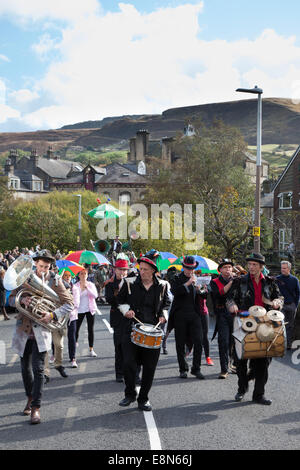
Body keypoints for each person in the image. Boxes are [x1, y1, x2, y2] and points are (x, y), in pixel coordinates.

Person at [9, 249, 74, 424]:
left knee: (38, 369)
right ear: (35, 264)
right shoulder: (24, 277)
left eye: (46, 267)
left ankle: (36, 408)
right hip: (23, 328)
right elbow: (10, 299)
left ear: (50, 266)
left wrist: (52, 315)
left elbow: (70, 304)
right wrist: (21, 301)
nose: (43, 270)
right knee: (24, 368)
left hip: (42, 329)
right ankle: (29, 399)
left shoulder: (55, 280)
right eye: (40, 266)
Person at [116, 254, 171, 411]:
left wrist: (163, 315)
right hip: (132, 327)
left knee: (149, 367)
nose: (142, 272)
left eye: (146, 270)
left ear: (153, 271)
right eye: (141, 269)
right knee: (128, 363)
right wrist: (126, 310)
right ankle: (130, 394)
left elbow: (166, 303)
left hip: (153, 330)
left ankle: (143, 399)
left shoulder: (162, 285)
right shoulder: (129, 283)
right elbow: (120, 300)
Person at [227, 252, 283, 405]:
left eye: (254, 265)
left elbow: (279, 297)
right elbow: (230, 298)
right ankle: (242, 388)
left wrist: (277, 301)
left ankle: (259, 394)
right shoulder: (239, 281)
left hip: (265, 324)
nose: (251, 267)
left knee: (264, 361)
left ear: (261, 267)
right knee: (240, 360)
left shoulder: (271, 282)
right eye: (249, 264)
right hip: (244, 322)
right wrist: (232, 305)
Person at [169, 256, 205, 380]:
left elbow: (204, 296)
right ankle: (183, 369)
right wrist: (188, 283)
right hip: (180, 314)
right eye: (188, 268)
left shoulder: (197, 279)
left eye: (192, 268)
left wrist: (201, 290)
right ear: (183, 267)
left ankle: (196, 369)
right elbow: (174, 291)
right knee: (180, 343)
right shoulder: (176, 278)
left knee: (199, 341)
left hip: (195, 314)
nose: (190, 271)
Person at [210, 259, 236, 379]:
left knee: (234, 341)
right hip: (222, 314)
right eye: (225, 267)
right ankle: (224, 369)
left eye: (230, 267)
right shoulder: (215, 281)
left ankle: (232, 364)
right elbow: (219, 294)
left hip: (235, 314)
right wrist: (231, 282)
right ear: (220, 270)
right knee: (223, 341)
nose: (228, 270)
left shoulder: (237, 280)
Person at [105, 258, 129, 382]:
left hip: (130, 318)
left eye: (125, 270)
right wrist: (120, 291)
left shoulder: (131, 283)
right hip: (118, 318)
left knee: (129, 347)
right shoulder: (110, 284)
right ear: (115, 270)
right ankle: (119, 373)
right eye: (120, 269)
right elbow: (110, 299)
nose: (123, 272)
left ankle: (129, 372)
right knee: (119, 346)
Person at [74, 268, 98, 357]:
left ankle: (91, 349)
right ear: (79, 275)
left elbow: (95, 295)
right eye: (81, 274)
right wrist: (81, 289)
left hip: (90, 309)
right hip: (80, 310)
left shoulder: (91, 285)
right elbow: (75, 298)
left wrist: (87, 288)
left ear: (87, 275)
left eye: (85, 274)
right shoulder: (76, 286)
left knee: (90, 329)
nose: (83, 275)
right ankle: (75, 345)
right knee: (76, 329)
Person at [276, 260, 300, 349]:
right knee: (280, 325)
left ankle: (288, 344)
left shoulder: (294, 279)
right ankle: (280, 343)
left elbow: (298, 293)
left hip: (291, 305)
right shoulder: (277, 279)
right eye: (282, 268)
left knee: (290, 325)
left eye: (284, 268)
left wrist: (295, 305)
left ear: (289, 269)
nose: (282, 270)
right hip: (281, 305)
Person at [195, 270, 213, 366]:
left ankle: (208, 357)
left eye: (200, 273)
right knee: (193, 335)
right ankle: (188, 350)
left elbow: (205, 294)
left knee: (205, 335)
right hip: (193, 313)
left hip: (203, 311)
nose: (199, 275)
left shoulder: (206, 283)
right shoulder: (190, 281)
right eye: (197, 273)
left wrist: (203, 288)